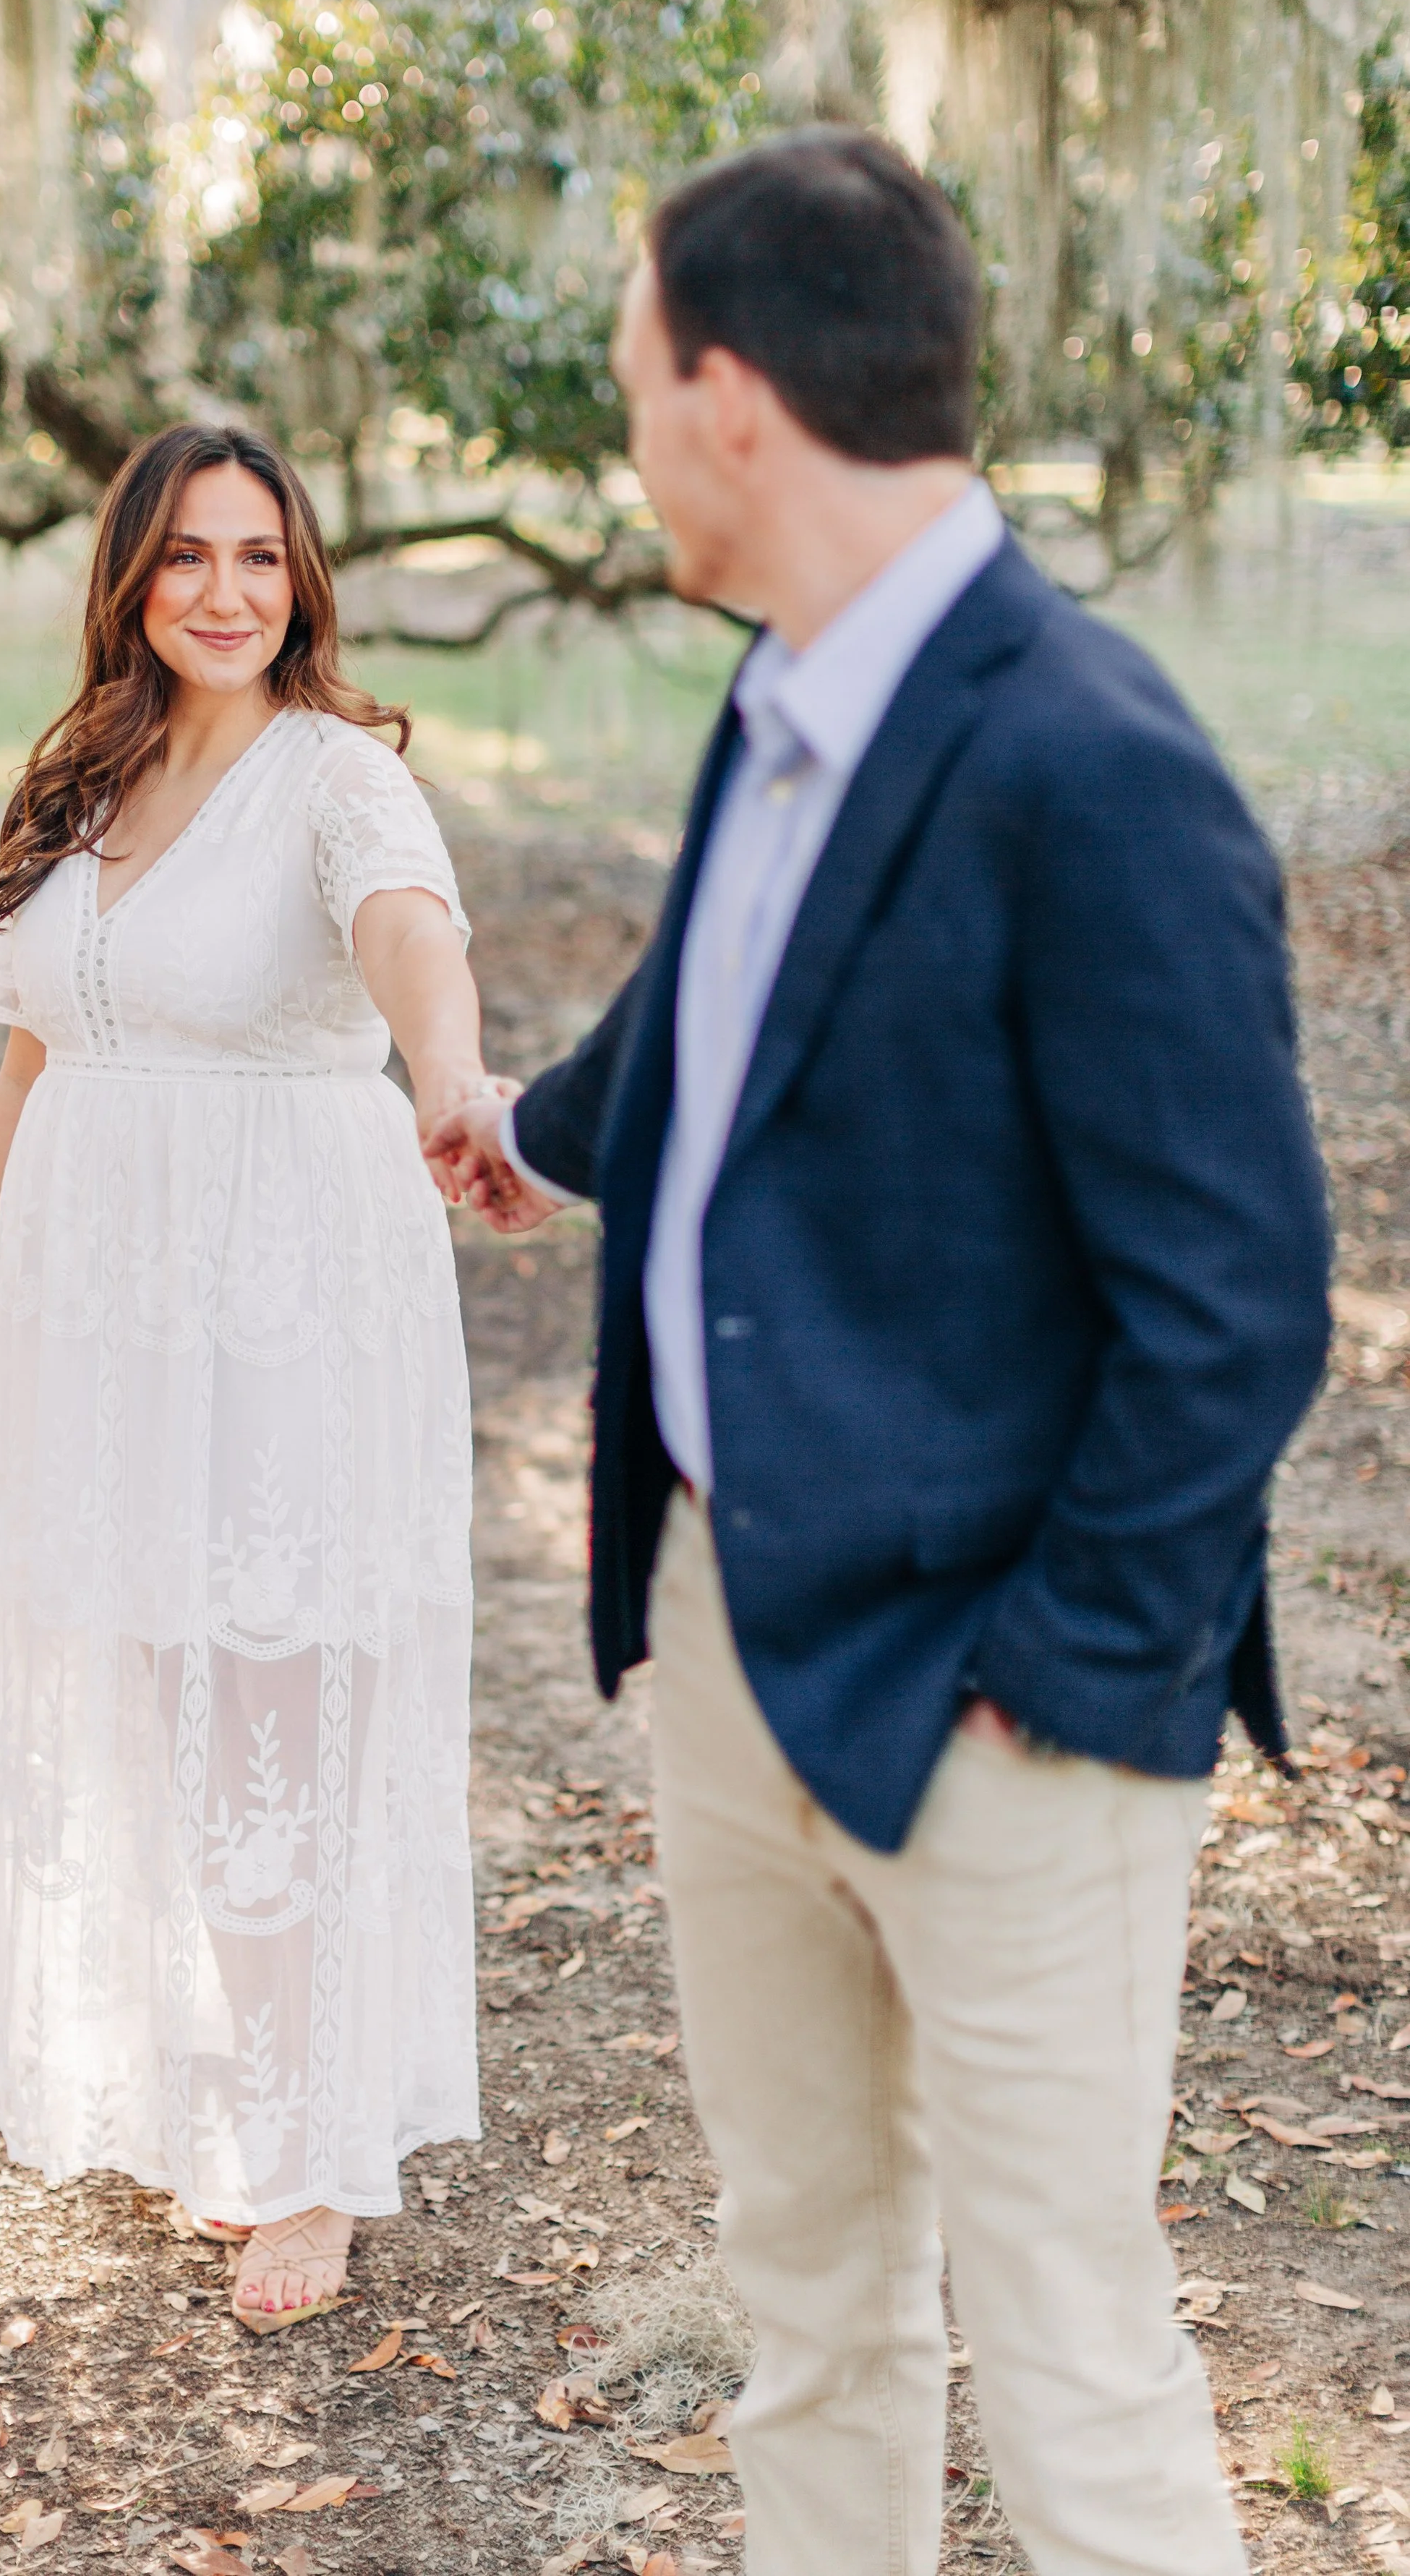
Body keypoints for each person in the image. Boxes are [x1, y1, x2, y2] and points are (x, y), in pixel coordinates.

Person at [427, 130, 1330, 2573]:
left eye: (635, 389)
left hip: (1003, 1699)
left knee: (1064, 2351)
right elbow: (728, 997)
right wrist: (532, 1130)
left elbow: (1239, 1298)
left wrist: (1061, 1673)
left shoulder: (1089, 757)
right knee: (806, 2295)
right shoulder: (787, 695)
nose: (629, 445)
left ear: (729, 400)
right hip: (732, 1628)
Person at [0, 422, 484, 2332]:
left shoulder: (339, 780)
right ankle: (254, 2077)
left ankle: (312, 2154)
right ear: (130, 579)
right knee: (165, 1698)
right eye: (184, 555)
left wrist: (455, 1078)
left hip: (283, 1296)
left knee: (273, 1708)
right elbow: (30, 1065)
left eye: (256, 555)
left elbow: (411, 939)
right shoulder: (86, 771)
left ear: (300, 578)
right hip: (105, 1310)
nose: (223, 591)